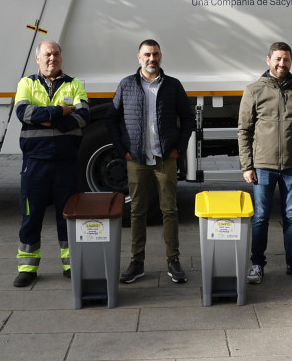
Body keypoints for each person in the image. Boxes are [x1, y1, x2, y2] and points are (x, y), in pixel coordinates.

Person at [107, 39, 196, 284]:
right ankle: (137, 262)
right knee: (137, 211)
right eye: (147, 54)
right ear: (139, 58)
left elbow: (188, 119)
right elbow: (111, 119)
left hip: (164, 157)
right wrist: (121, 149)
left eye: (155, 54)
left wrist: (179, 147)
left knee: (170, 210)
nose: (151, 59)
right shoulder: (126, 85)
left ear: (160, 56)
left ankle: (173, 260)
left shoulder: (172, 85)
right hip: (136, 158)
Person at [239, 42, 292, 284]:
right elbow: (244, 130)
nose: (281, 64)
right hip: (263, 166)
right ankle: (256, 264)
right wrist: (247, 165)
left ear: (291, 61)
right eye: (277, 59)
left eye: (286, 60)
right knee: (261, 216)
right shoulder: (254, 90)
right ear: (268, 60)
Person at [13, 40, 91, 287]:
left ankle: (71, 265)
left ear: (61, 57)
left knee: (67, 216)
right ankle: (27, 268)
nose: (52, 58)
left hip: (65, 163)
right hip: (35, 163)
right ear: (37, 58)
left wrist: (46, 117)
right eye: (47, 54)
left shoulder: (75, 84)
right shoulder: (26, 83)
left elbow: (83, 116)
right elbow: (24, 114)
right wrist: (61, 112)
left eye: (56, 54)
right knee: (31, 215)